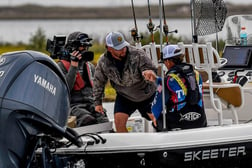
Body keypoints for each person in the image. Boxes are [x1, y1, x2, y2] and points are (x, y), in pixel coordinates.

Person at [93, 31, 157, 133]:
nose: (123, 50)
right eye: (118, 49)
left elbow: (149, 67)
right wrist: (97, 103)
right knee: (119, 122)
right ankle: (128, 144)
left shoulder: (138, 53)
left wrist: (149, 72)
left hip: (146, 94)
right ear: (109, 48)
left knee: (156, 120)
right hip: (124, 96)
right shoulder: (103, 62)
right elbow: (98, 82)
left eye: (123, 46)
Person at [143, 45, 207, 131]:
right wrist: (156, 79)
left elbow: (156, 108)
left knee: (156, 118)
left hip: (178, 124)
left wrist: (151, 114)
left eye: (164, 62)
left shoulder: (168, 80)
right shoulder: (196, 74)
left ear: (168, 62)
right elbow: (181, 83)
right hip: (201, 121)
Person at [57, 31, 109, 127]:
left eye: (86, 47)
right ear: (73, 48)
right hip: (73, 105)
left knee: (103, 120)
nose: (84, 49)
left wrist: (99, 102)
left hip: (91, 103)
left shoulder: (89, 66)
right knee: (88, 120)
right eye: (82, 47)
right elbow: (65, 89)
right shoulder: (61, 66)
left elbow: (97, 87)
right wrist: (73, 66)